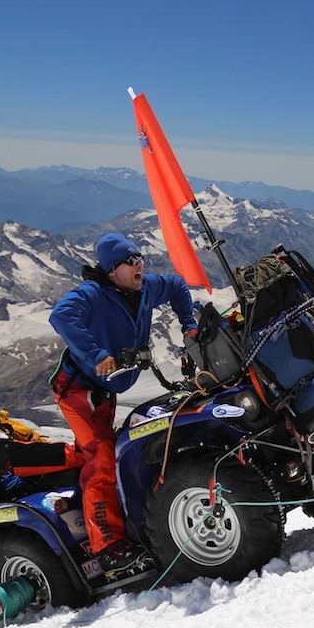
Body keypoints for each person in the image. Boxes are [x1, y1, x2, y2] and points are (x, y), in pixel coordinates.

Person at [48, 232, 197, 580]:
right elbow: (61, 316)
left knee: (116, 448)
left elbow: (176, 285)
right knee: (102, 458)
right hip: (79, 390)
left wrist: (189, 326)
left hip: (105, 390)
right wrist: (97, 355)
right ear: (112, 270)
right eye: (130, 261)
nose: (139, 264)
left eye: (140, 257)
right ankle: (107, 549)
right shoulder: (92, 294)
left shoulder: (144, 288)